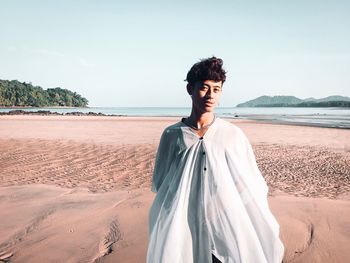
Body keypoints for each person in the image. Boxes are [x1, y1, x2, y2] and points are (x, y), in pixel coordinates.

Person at [146, 57, 285, 263]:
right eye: (204, 87)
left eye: (217, 89)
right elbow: (161, 185)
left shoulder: (232, 134)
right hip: (183, 227)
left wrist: (223, 210)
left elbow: (251, 184)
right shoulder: (172, 135)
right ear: (189, 89)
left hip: (225, 228)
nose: (211, 95)